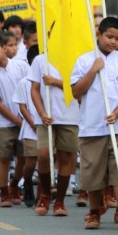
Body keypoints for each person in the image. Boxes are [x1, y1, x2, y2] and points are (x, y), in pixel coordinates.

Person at [71, 17, 118, 230]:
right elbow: (76, 91)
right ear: (98, 34)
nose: (113, 42)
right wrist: (94, 70)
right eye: (109, 37)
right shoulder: (85, 60)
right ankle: (94, 212)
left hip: (117, 127)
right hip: (92, 126)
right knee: (93, 171)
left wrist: (117, 113)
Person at [29, 44, 81, 217]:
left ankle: (60, 201)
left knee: (65, 158)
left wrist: (56, 82)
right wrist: (42, 113)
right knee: (44, 154)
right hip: (46, 117)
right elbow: (34, 90)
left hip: (70, 116)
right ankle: (45, 195)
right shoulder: (40, 60)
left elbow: (79, 89)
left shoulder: (77, 60)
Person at [0, 33, 29, 207]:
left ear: (4, 48)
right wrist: (16, 120)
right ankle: (4, 193)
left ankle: (14, 184)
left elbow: (31, 89)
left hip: (25, 119)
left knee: (23, 157)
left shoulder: (21, 66)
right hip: (3, 123)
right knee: (2, 157)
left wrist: (26, 117)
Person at [13, 46, 41, 207]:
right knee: (30, 162)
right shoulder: (24, 82)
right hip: (31, 128)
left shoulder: (49, 81)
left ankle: (42, 194)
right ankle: (28, 182)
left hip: (47, 126)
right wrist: (32, 123)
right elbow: (22, 106)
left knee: (44, 162)